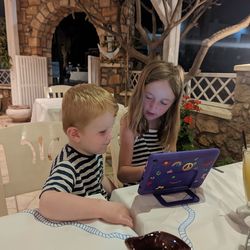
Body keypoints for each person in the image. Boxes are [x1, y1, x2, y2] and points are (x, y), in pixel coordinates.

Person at [39, 84, 133, 228]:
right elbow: (47, 202)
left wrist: (117, 195)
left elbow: (99, 177)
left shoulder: (91, 152)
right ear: (75, 134)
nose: (110, 136)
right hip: (80, 229)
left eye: (110, 128)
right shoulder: (68, 165)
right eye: (102, 132)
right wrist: (103, 208)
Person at [118, 60, 184, 185]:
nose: (153, 108)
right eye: (148, 97)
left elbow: (172, 158)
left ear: (173, 105)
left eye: (163, 103)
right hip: (135, 192)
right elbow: (122, 174)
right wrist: (149, 170)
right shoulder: (130, 123)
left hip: (160, 188)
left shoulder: (169, 125)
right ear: (140, 92)